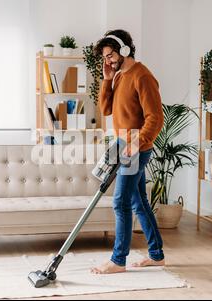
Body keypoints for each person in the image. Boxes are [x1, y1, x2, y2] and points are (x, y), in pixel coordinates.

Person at [91, 29, 165, 274]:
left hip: (135, 146)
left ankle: (118, 260)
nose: (108, 60)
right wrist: (107, 79)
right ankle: (156, 255)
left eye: (110, 55)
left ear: (124, 50)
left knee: (120, 202)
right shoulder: (120, 75)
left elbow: (155, 118)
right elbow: (105, 109)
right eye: (105, 57)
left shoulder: (142, 76)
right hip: (124, 144)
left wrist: (136, 145)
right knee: (138, 202)